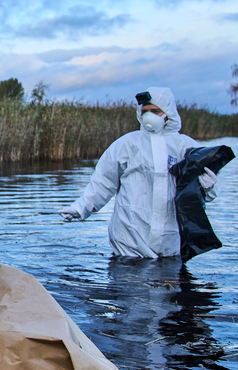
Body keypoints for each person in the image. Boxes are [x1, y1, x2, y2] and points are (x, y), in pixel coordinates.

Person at [58, 87, 218, 259]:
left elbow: (205, 195)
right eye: (145, 111)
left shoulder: (186, 146)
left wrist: (208, 187)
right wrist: (80, 208)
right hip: (128, 240)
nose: (149, 116)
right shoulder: (127, 144)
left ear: (168, 112)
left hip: (170, 241)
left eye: (155, 111)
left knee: (170, 281)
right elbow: (103, 183)